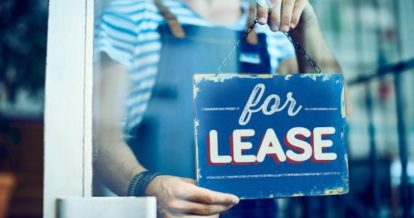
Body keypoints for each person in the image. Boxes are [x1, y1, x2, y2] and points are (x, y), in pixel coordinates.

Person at [94, 0, 342, 217]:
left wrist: (307, 27)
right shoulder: (133, 14)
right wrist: (145, 186)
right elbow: (98, 132)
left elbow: (334, 116)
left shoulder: (270, 25)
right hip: (163, 210)